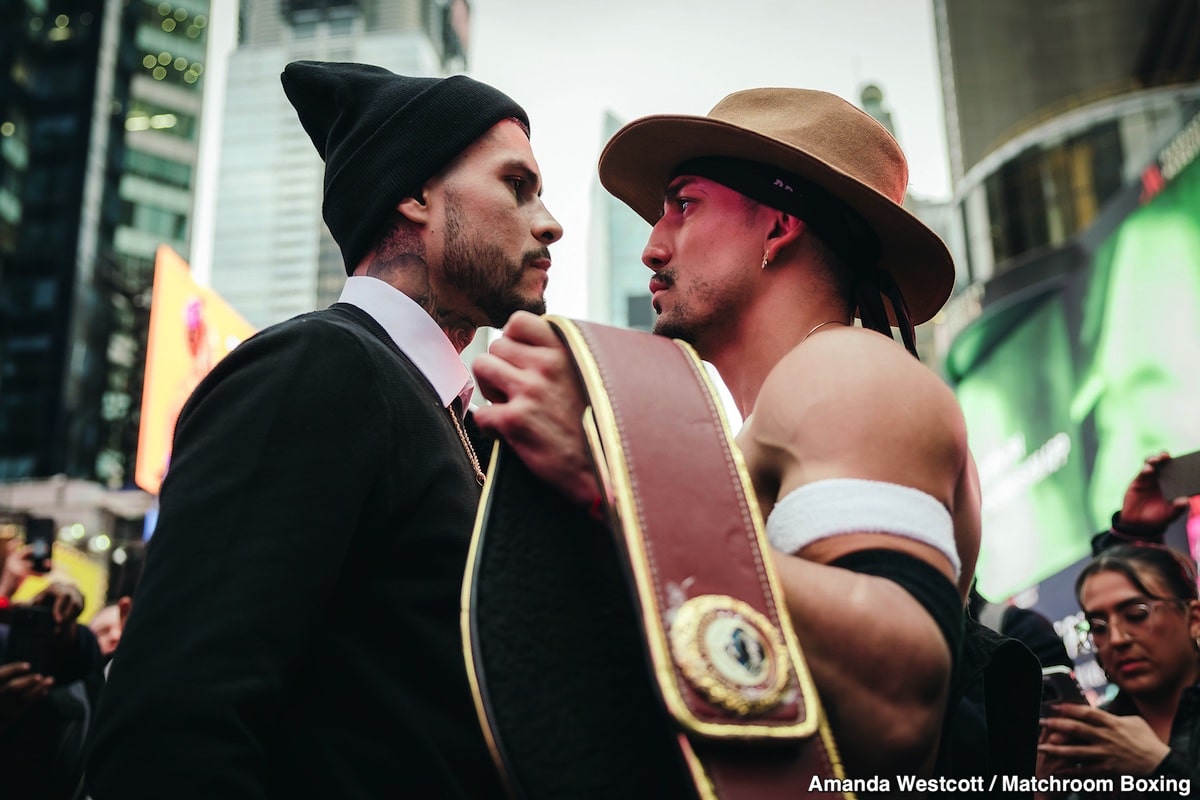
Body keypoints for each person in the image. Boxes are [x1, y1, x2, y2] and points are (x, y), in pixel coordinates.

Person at [85, 61, 561, 799]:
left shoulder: (458, 418)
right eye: (517, 185)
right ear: (415, 195)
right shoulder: (320, 369)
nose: (548, 222)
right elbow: (171, 727)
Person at [473, 87, 981, 777]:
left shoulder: (847, 367)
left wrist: (613, 490)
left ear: (777, 227)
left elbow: (901, 704)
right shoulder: (795, 401)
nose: (653, 247)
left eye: (684, 205)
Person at [1037, 542, 1200, 797]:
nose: (1116, 639)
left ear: (1194, 619)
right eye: (1099, 626)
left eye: (1136, 614)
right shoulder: (1096, 736)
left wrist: (1161, 767)